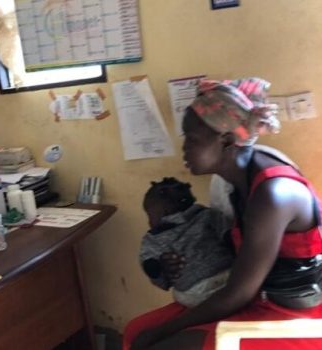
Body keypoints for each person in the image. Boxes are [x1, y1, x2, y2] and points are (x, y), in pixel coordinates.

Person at [124, 78, 322, 350]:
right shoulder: (232, 179)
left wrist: (163, 332)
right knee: (137, 331)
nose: (184, 149)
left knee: (160, 344)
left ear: (227, 140)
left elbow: (240, 292)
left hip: (291, 313)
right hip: (256, 296)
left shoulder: (273, 194)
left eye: (191, 139)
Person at [141, 177, 233, 308]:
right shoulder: (208, 214)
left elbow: (148, 261)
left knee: (179, 295)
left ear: (163, 212)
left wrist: (155, 266)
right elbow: (228, 234)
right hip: (228, 278)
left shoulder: (153, 237)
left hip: (192, 293)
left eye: (149, 215)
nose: (149, 221)